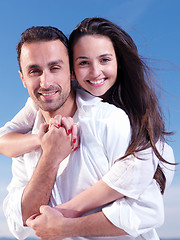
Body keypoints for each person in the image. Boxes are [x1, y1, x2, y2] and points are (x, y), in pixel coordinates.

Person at [1, 20, 174, 240]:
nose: (46, 81)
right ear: (22, 78)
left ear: (69, 72)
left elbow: (148, 210)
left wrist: (66, 222)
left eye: (55, 67)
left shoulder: (115, 121)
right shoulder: (30, 128)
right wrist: (48, 152)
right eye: (34, 71)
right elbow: (21, 224)